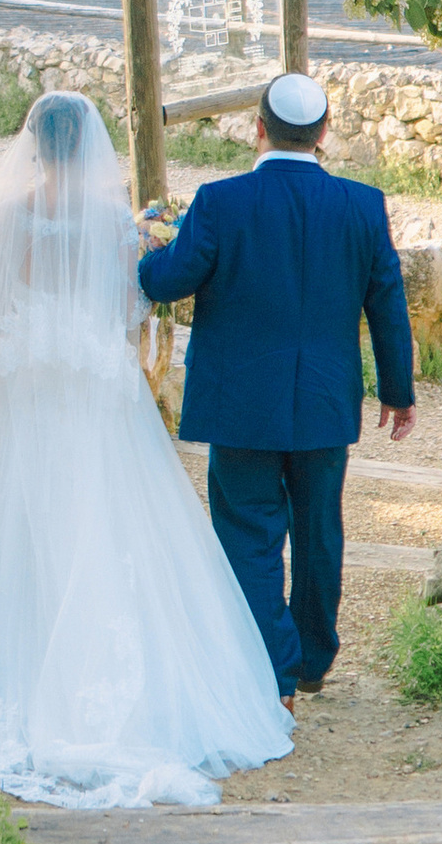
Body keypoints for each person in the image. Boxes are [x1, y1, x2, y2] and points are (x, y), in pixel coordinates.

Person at [0, 90, 293, 808]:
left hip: (22, 382)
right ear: (87, 144)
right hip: (90, 389)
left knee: (3, 513)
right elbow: (129, 309)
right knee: (103, 518)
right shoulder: (109, 222)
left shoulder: (5, 214)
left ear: (32, 141)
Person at [136, 70, 414, 705]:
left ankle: (272, 671)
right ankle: (314, 659)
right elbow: (387, 304)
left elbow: (169, 281)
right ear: (322, 134)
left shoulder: (220, 201)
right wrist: (398, 392)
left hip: (239, 403)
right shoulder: (363, 205)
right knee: (320, 528)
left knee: (248, 532)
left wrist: (147, 250)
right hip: (324, 399)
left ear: (257, 129)